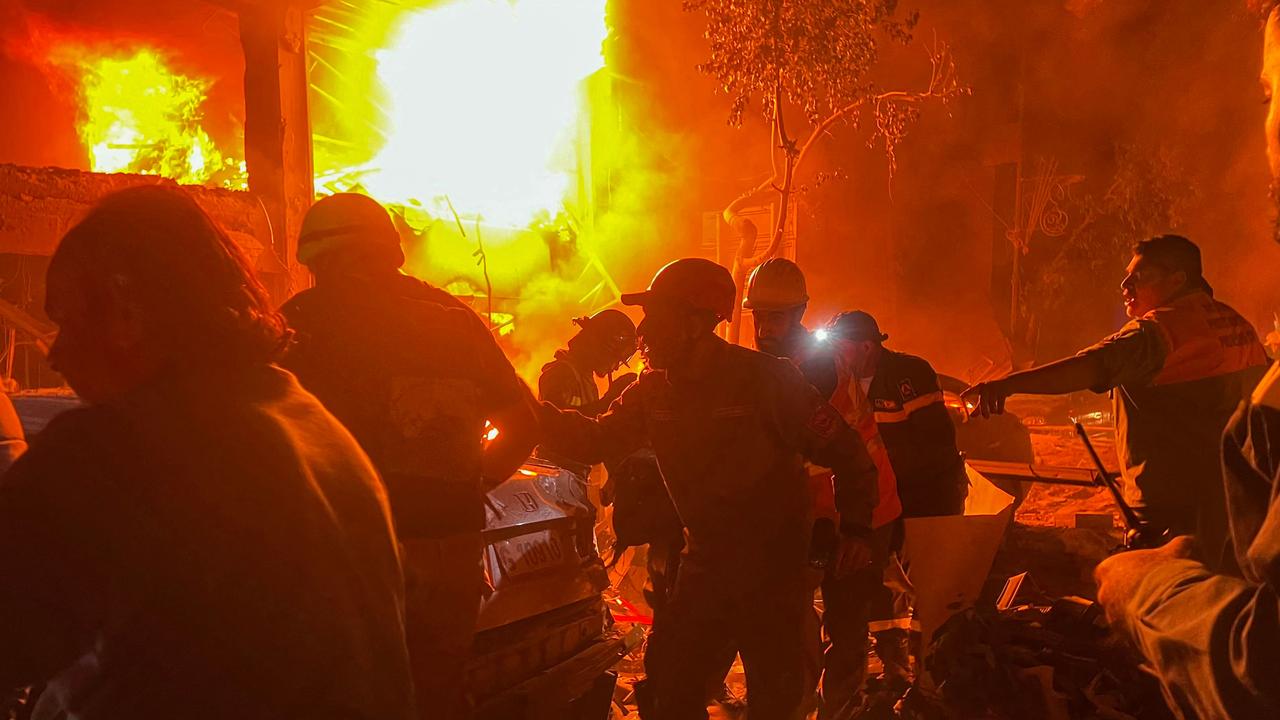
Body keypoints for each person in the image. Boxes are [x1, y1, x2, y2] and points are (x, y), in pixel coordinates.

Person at [0, 186, 414, 720]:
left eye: (65, 321)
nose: (55, 355)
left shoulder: (119, 447)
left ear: (128, 311)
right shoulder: (312, 425)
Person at [538, 257, 881, 720]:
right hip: (705, 568)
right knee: (669, 694)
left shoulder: (768, 380)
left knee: (776, 704)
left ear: (701, 322)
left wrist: (858, 530)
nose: (646, 331)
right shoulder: (654, 391)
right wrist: (524, 411)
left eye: (660, 317)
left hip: (774, 574)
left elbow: (850, 454)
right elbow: (594, 437)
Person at [280, 192, 539, 720]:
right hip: (444, 549)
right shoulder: (451, 321)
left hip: (335, 550)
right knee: (436, 691)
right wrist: (470, 485)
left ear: (320, 261)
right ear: (388, 252)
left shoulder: (296, 326)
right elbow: (523, 423)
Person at [1092, 3, 1280, 716]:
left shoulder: (1164, 328)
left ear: (1169, 278)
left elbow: (1262, 668)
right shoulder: (1236, 324)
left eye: (1269, 93)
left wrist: (1150, 595)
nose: (1125, 290)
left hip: (1173, 528)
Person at [965, 235, 1267, 564]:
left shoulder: (1158, 331)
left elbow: (1089, 367)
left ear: (1178, 279)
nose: (1125, 284)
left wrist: (1005, 385)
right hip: (1237, 505)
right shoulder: (1237, 325)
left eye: (1141, 276)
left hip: (1176, 515)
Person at [539, 308, 638, 416]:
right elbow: (556, 421)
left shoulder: (586, 379)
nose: (616, 368)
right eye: (615, 359)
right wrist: (607, 401)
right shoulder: (560, 373)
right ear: (601, 347)